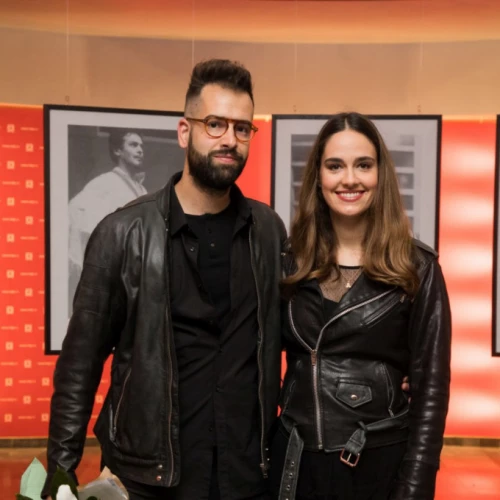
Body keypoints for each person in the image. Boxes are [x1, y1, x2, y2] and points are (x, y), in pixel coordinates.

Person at [42, 59, 287, 499]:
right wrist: (60, 471)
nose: (229, 140)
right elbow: (80, 363)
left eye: (242, 128)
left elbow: (296, 330)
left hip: (245, 474)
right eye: (215, 124)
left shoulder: (267, 231)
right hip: (148, 478)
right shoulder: (122, 233)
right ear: (184, 131)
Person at [269, 112, 451, 500]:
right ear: (318, 177)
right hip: (295, 466)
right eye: (335, 166)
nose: (349, 179)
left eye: (363, 165)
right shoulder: (288, 262)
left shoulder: (417, 268)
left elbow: (432, 393)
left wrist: (415, 486)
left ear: (380, 175)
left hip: (378, 465)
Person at [68, 129, 147, 311]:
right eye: (133, 145)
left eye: (141, 146)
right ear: (117, 150)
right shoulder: (103, 185)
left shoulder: (142, 190)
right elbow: (78, 218)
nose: (140, 150)